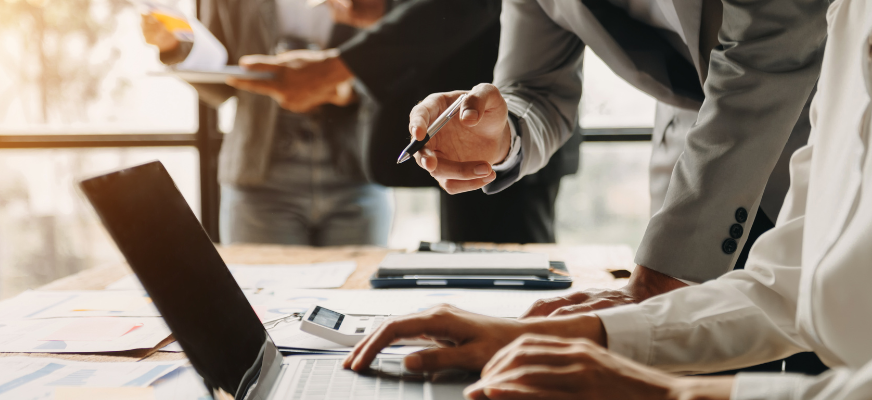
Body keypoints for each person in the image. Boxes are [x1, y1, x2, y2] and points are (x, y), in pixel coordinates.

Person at [344, 6, 872, 397]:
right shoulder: (851, 20)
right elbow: (781, 293)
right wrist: (564, 335)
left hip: (789, 141)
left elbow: (765, 60)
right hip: (696, 175)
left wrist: (664, 371)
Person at [404, 0, 825, 317]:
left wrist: (658, 275)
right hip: (688, 186)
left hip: (823, 169)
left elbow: (768, 58)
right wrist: (503, 135)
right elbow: (535, 88)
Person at [227, 0, 581, 244]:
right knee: (474, 292)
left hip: (513, 119)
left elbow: (473, 3)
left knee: (508, 298)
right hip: (461, 126)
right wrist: (389, 8)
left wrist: (338, 66)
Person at [140, 0, 392, 246]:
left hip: (358, 168)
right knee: (260, 287)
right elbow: (220, 84)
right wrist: (174, 47)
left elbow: (404, 58)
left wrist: (346, 89)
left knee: (360, 286)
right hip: (260, 177)